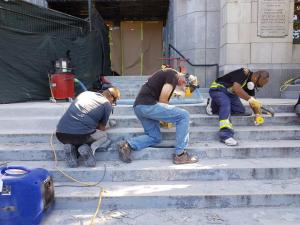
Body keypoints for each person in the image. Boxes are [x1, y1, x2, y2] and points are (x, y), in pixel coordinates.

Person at [118, 68, 198, 165]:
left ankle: (127, 145)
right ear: (184, 81)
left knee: (155, 137)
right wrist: (169, 118)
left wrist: (167, 117)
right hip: (148, 105)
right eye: (183, 88)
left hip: (140, 107)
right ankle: (180, 155)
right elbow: (163, 100)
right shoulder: (174, 76)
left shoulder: (169, 75)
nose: (180, 90)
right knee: (184, 115)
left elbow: (163, 103)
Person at [56, 87, 120, 167]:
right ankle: (89, 148)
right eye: (114, 101)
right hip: (80, 136)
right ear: (111, 97)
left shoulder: (85, 93)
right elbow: (101, 128)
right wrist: (110, 124)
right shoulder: (106, 104)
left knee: (78, 133)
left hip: (61, 134)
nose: (113, 102)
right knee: (104, 136)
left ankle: (71, 148)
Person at [206, 68, 269, 146]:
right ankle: (225, 135)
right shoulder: (244, 73)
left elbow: (253, 99)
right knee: (226, 104)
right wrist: (250, 99)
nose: (257, 86)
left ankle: (213, 106)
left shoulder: (250, 84)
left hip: (230, 94)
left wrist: (257, 114)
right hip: (218, 89)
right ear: (256, 77)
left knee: (240, 110)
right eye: (258, 84)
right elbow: (237, 89)